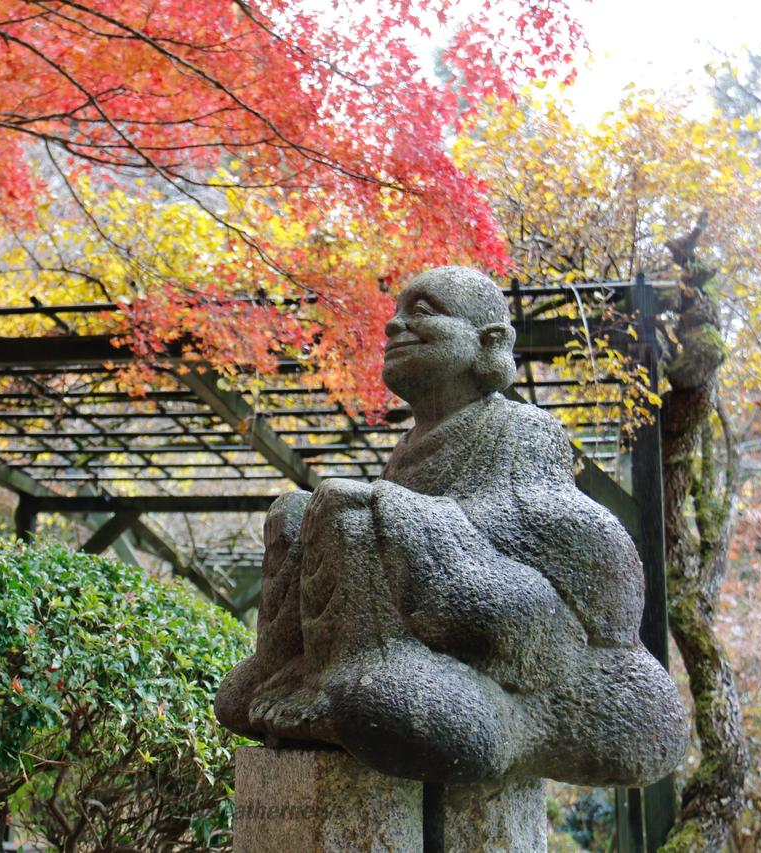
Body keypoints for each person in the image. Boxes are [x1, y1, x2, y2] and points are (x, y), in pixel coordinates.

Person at [215, 266, 687, 787]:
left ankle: (362, 676)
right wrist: (377, 510)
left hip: (514, 614)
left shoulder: (521, 428)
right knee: (296, 510)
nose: (394, 326)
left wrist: (392, 510)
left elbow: (545, 523)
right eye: (396, 313)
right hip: (423, 597)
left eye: (422, 311)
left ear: (490, 341)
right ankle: (297, 669)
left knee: (350, 506)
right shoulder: (408, 449)